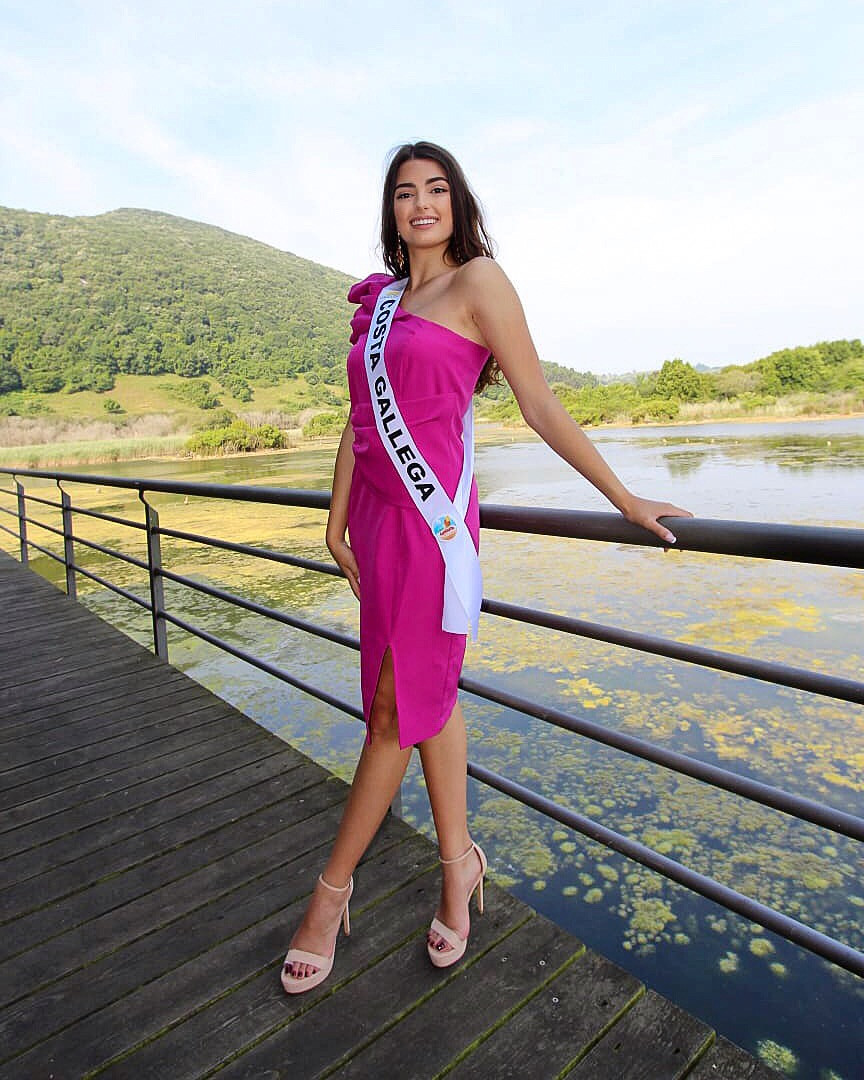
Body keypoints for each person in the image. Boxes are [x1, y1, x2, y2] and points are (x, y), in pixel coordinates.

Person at [281, 141, 692, 992]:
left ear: (458, 203)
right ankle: (457, 869)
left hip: (432, 532)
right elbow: (360, 421)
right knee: (427, 698)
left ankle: (328, 896)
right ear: (391, 210)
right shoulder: (382, 301)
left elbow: (537, 401)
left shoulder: (480, 284)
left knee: (392, 713)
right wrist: (334, 521)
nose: (421, 203)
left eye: (436, 189)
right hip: (377, 529)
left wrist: (623, 497)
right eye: (405, 192)